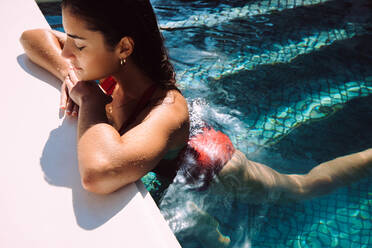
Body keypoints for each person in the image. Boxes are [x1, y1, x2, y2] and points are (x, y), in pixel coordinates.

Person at [21, 0, 371, 245]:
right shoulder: (107, 65)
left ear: (124, 47)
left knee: (299, 187)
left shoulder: (168, 107)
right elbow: (32, 37)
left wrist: (91, 99)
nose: (67, 53)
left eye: (78, 46)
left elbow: (98, 173)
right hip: (164, 159)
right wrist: (71, 74)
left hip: (207, 160)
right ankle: (208, 230)